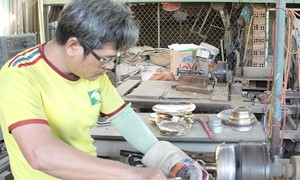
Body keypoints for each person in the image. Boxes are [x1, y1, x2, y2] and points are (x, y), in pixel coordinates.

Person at [0, 0, 208, 179]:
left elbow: (124, 118)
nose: (110, 66)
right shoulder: (19, 76)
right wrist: (132, 174)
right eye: (106, 59)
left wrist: (170, 159)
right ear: (73, 46)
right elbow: (41, 154)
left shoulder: (91, 72)